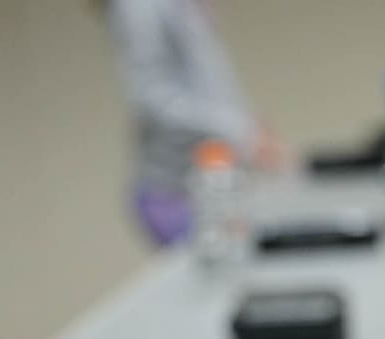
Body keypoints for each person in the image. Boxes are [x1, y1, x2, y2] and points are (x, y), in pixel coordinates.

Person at [106, 0, 281, 247]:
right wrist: (241, 131)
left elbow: (210, 79)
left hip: (215, 182)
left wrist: (251, 124)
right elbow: (152, 96)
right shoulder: (140, 6)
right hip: (174, 193)